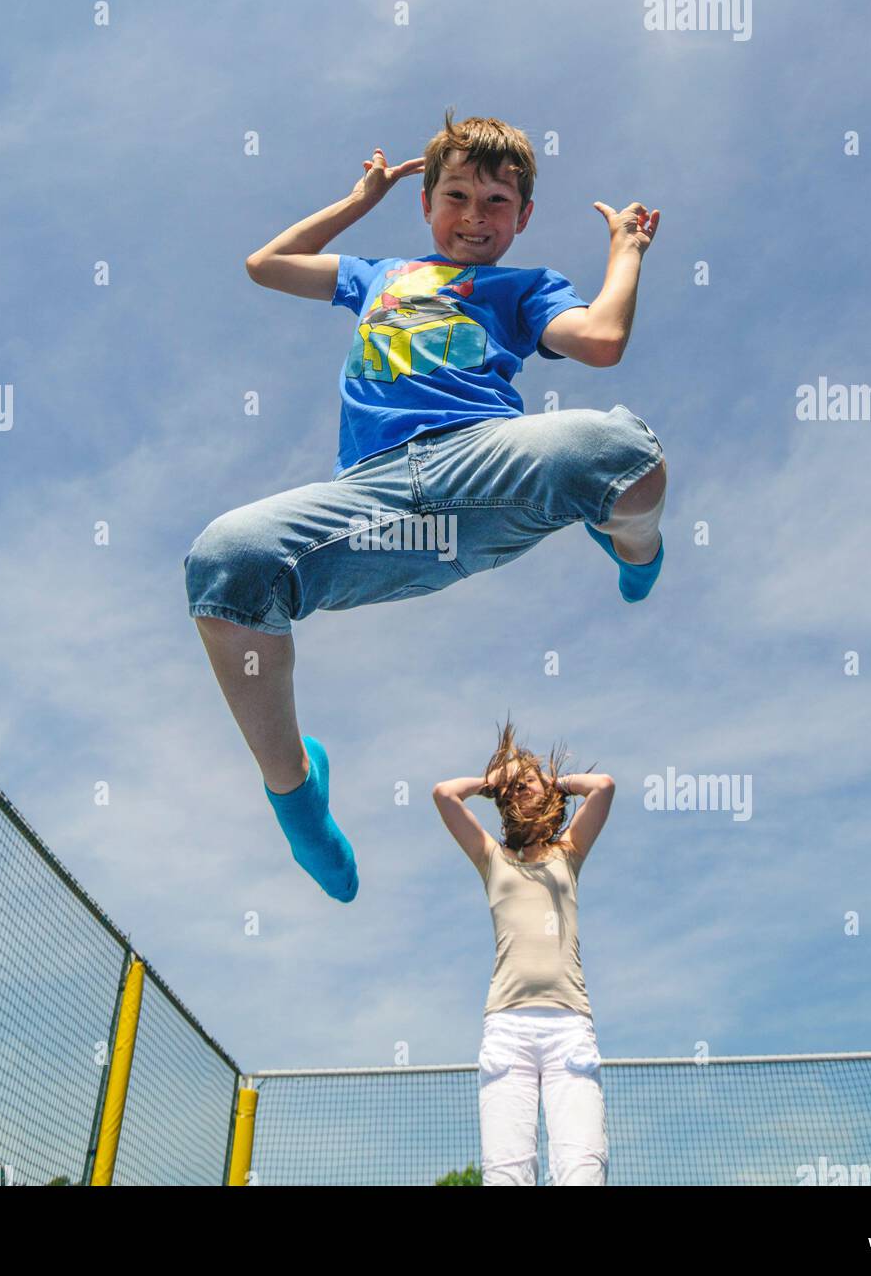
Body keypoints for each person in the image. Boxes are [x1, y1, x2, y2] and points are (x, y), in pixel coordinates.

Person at [185, 110, 665, 901]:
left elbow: (603, 340)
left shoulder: (524, 287)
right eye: (457, 196)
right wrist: (359, 198)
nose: (475, 218)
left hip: (481, 470)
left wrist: (626, 250)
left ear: (524, 218)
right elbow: (266, 263)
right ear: (428, 202)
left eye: (497, 203)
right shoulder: (378, 274)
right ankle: (297, 794)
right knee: (223, 563)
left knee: (626, 455)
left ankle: (632, 545)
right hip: (374, 503)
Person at [432, 718, 615, 1185]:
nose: (518, 792)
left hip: (569, 1028)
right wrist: (493, 781)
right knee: (506, 1176)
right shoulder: (491, 858)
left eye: (525, 784)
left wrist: (552, 779)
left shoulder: (568, 853)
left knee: (582, 1172)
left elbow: (604, 787)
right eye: (509, 790)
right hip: (508, 1030)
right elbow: (443, 794)